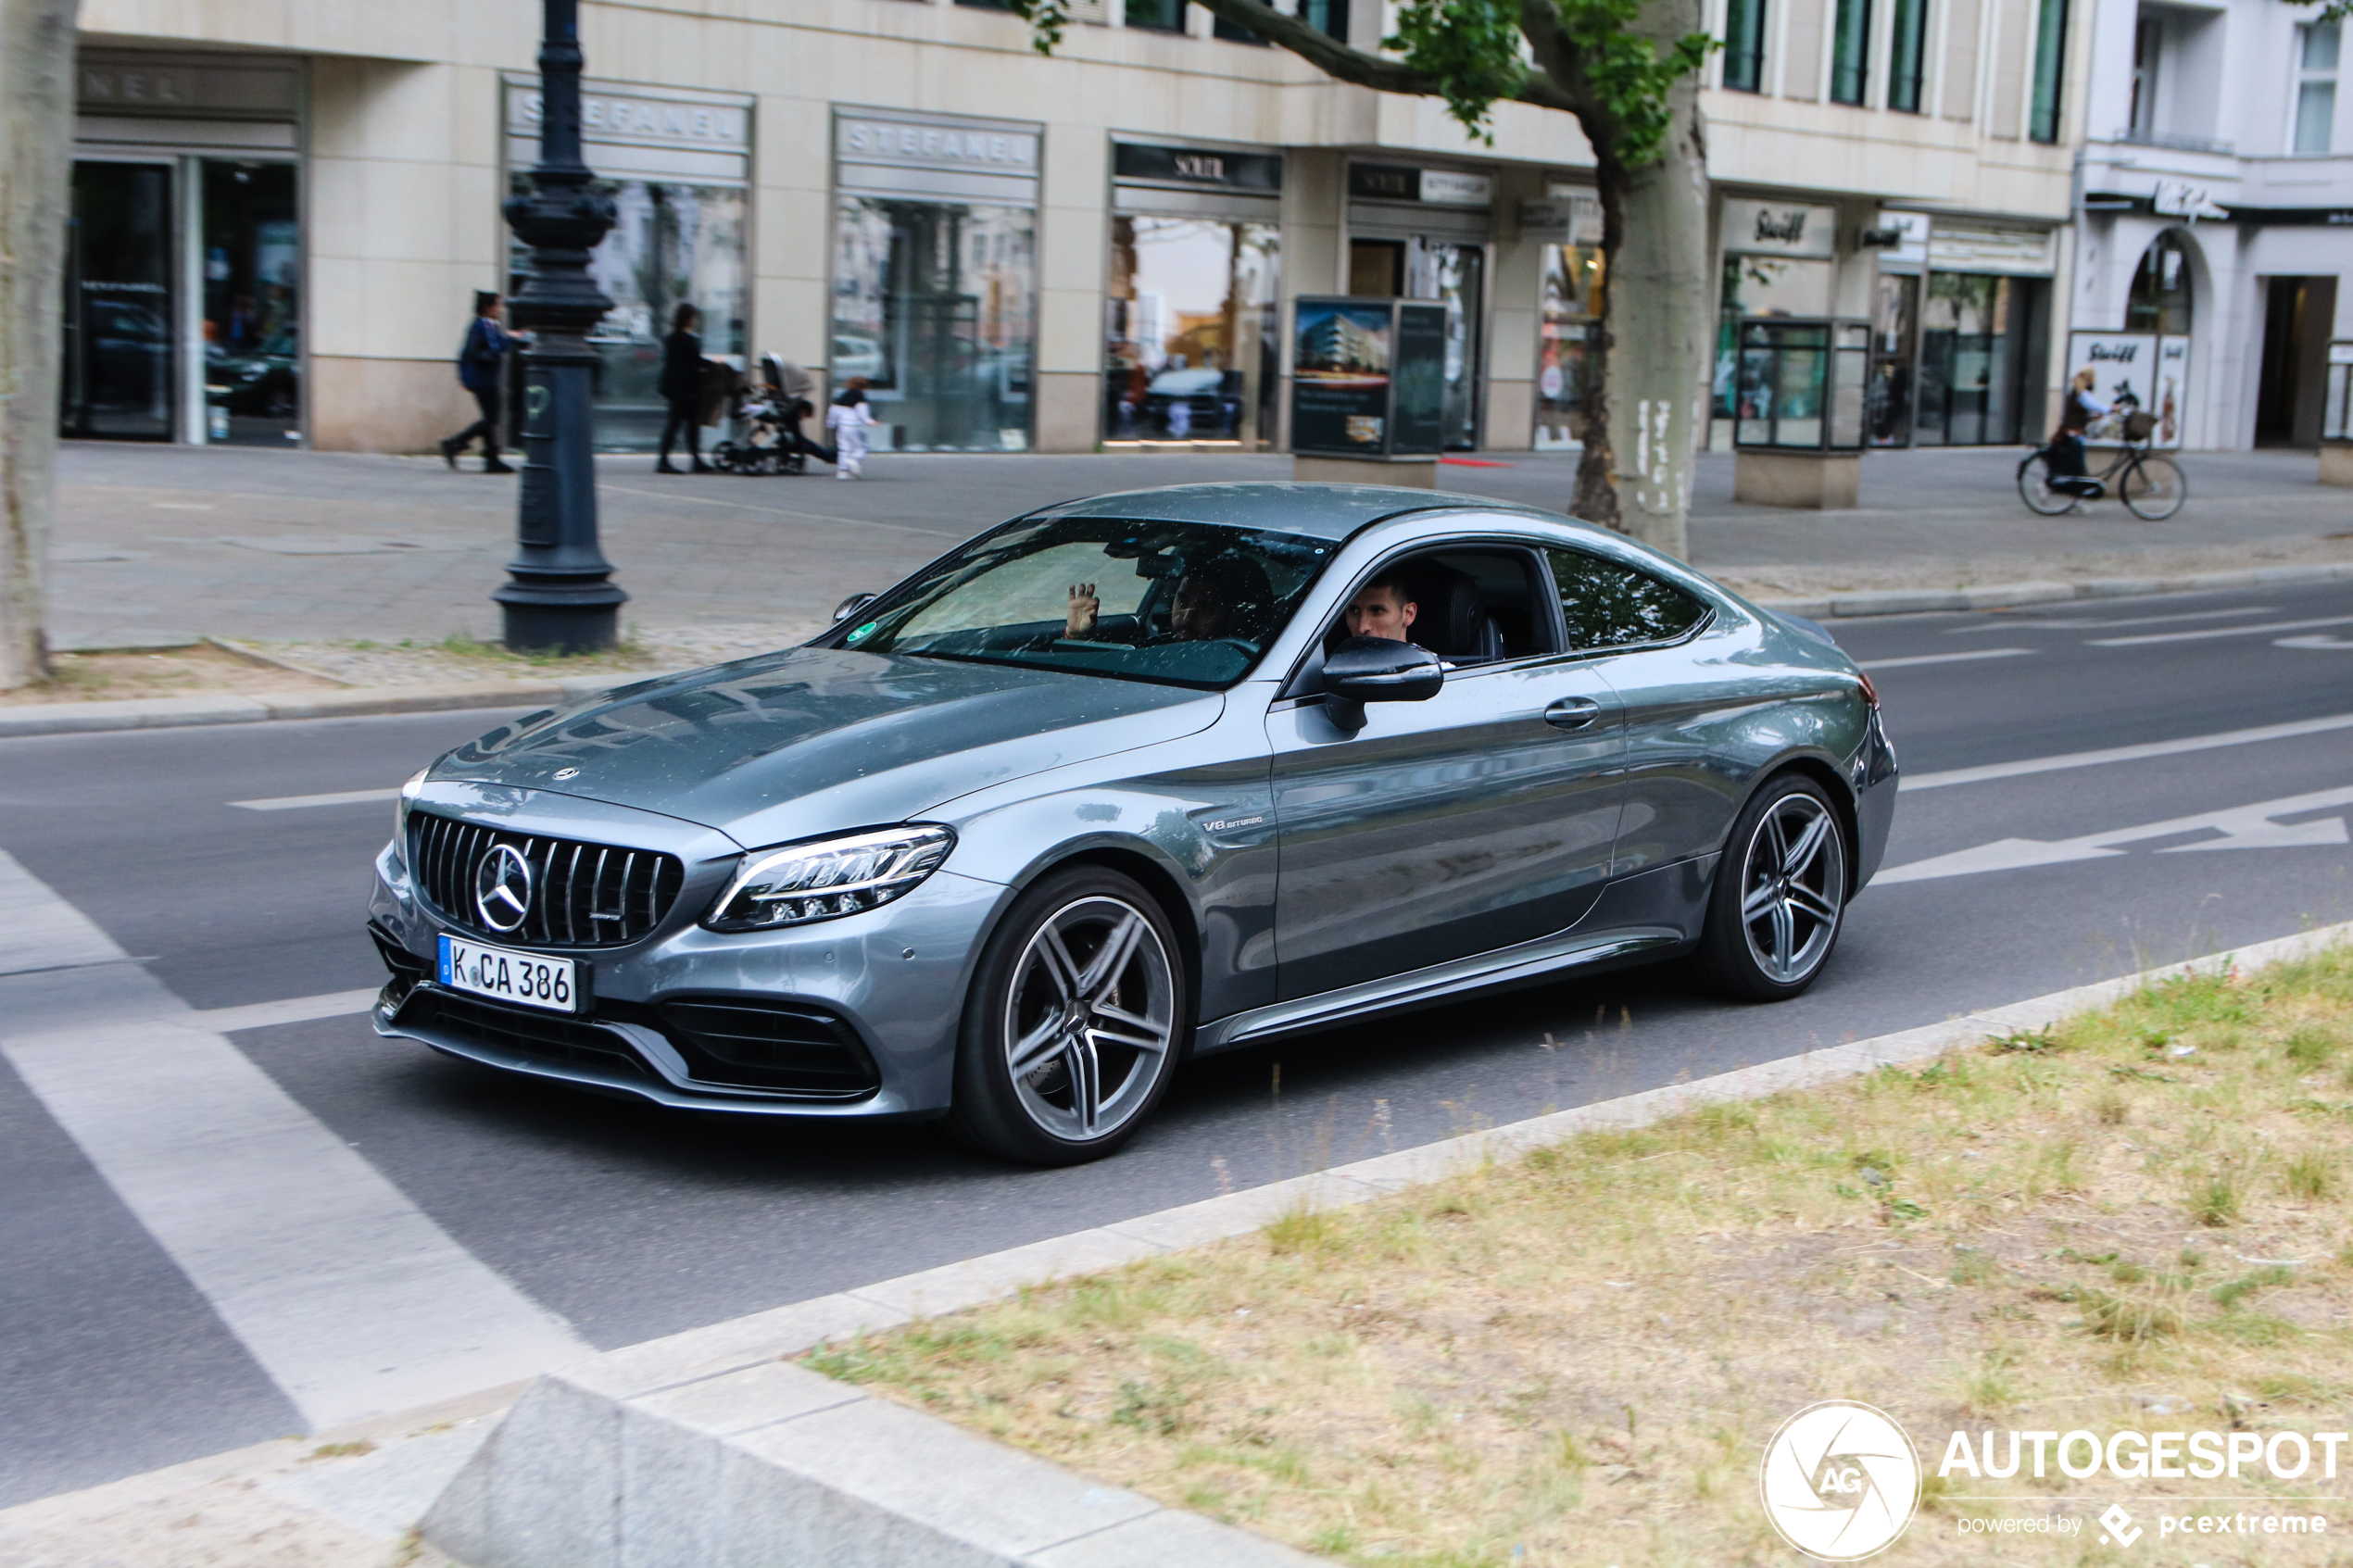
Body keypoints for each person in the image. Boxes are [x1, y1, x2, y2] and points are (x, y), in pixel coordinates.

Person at [1063, 553, 1272, 645]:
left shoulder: (1243, 667)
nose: (1187, 617)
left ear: (1233, 615)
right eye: (1182, 601)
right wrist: (1077, 636)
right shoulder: (1158, 646)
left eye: (1206, 608)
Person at [440, 291, 514, 474]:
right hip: (482, 379)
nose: (500, 309)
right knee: (492, 418)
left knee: (490, 418)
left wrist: (513, 338)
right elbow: (471, 351)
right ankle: (454, 443)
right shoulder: (479, 326)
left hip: (486, 378)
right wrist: (490, 357)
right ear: (489, 308)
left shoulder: (490, 326)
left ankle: (491, 460)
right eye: (497, 305)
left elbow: (498, 344)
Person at [657, 302, 711, 473]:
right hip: (685, 388)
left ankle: (686, 459)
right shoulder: (686, 340)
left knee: (680, 423)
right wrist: (714, 364)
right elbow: (695, 361)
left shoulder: (671, 338)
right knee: (685, 424)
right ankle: (671, 461)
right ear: (689, 319)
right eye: (693, 317)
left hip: (674, 386)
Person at [2051, 368, 2110, 491]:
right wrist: (2110, 409)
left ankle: (2077, 497)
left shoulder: (2077, 391)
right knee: (2078, 469)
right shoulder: (2080, 392)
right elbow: (2092, 404)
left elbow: (2079, 412)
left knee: (2077, 468)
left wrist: (2093, 417)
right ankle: (2076, 495)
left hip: (2072, 431)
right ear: (2090, 378)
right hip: (2073, 433)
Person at [1340, 571, 1418, 643]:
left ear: (1408, 614)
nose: (1362, 627)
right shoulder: (1336, 656)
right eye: (1354, 610)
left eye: (1377, 610)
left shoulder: (1423, 658)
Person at [827, 377, 875, 479]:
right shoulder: (860, 396)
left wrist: (831, 424)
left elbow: (833, 411)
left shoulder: (842, 397)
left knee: (843, 448)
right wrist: (869, 421)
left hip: (842, 426)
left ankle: (842, 472)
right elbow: (862, 412)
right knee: (862, 447)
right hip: (855, 426)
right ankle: (853, 459)